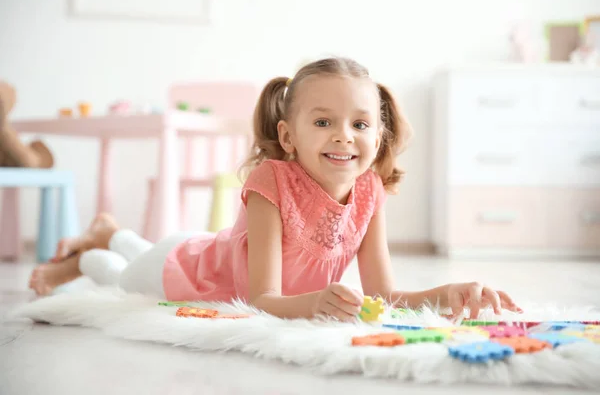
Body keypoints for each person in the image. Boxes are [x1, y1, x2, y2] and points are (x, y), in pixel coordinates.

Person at [28, 57, 522, 321]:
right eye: (323, 121)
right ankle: (90, 252)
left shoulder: (370, 190)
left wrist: (450, 293)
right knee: (119, 276)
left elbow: (385, 293)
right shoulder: (271, 182)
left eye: (360, 123)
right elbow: (260, 299)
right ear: (288, 136)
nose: (343, 136)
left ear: (380, 134)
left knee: (136, 249)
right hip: (185, 271)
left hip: (191, 248)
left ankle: (110, 230)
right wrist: (313, 304)